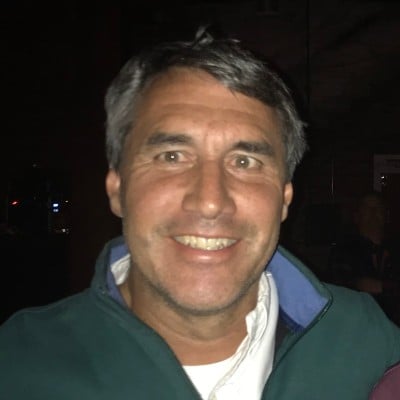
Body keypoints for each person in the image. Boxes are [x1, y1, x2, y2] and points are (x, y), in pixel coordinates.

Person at [1, 29, 400, 400]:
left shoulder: (366, 343)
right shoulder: (19, 364)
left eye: (244, 162)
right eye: (172, 156)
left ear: (284, 199)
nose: (210, 201)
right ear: (117, 188)